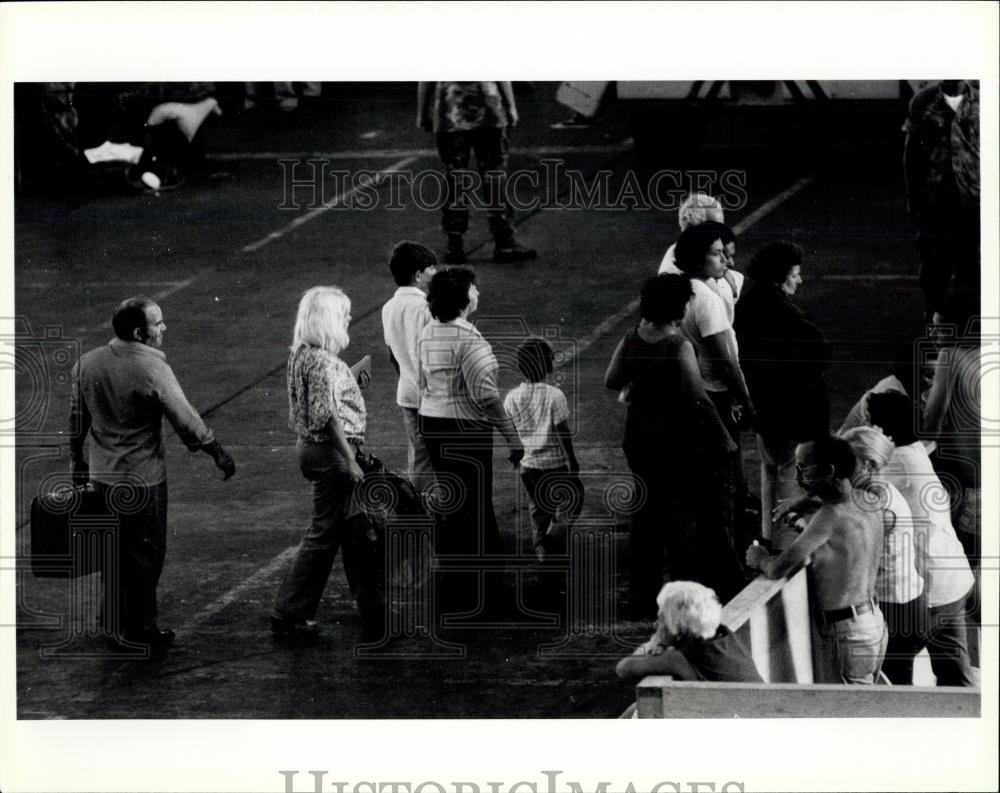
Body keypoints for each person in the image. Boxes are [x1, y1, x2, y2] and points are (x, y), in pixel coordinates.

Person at [69, 296, 236, 649]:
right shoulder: (152, 368)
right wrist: (216, 451)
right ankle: (142, 625)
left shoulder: (88, 363)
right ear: (138, 333)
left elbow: (76, 419)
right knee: (145, 553)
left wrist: (76, 461)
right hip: (142, 480)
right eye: (157, 323)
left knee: (112, 552)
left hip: (103, 477)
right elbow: (185, 418)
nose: (163, 328)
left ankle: (111, 618)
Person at [606, 274, 744, 616]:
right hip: (676, 442)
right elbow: (699, 398)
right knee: (682, 519)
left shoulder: (631, 338)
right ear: (677, 307)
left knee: (646, 518)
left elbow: (612, 379)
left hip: (639, 439)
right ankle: (682, 599)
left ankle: (642, 597)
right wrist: (724, 437)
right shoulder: (679, 345)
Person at [271, 286, 387, 643]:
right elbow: (326, 416)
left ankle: (372, 605)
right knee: (326, 533)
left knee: (346, 528)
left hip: (312, 449)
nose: (349, 319)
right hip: (333, 453)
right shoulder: (324, 361)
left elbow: (317, 400)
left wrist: (350, 381)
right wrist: (351, 460)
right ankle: (291, 610)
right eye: (344, 314)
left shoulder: (303, 355)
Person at [417, 267, 524, 617]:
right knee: (476, 502)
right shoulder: (470, 340)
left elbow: (422, 379)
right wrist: (513, 439)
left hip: (432, 422)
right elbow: (487, 397)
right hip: (464, 428)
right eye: (473, 289)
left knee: (454, 498)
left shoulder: (428, 331)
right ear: (464, 299)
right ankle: (483, 581)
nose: (477, 293)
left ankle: (456, 573)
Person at [746, 436, 887, 684]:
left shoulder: (830, 516)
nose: (799, 477)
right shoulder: (867, 500)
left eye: (804, 468)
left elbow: (778, 568)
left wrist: (759, 558)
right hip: (873, 622)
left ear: (828, 470)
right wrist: (806, 507)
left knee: (845, 716)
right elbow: (841, 547)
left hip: (846, 632)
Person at [867, 390, 977, 686]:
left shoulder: (892, 465)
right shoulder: (915, 450)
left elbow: (854, 496)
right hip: (954, 582)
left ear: (880, 430)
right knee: (957, 679)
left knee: (896, 680)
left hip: (927, 594)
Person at [734, 242, 832, 541]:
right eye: (795, 274)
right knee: (792, 471)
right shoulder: (783, 310)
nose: (799, 280)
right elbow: (820, 351)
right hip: (793, 407)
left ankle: (770, 534)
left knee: (770, 467)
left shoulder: (747, 300)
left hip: (765, 403)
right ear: (781, 275)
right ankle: (786, 541)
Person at [674, 223, 755, 554]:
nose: (727, 261)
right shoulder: (706, 299)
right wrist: (746, 401)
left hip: (691, 392)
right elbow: (725, 359)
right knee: (726, 482)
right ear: (698, 257)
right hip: (716, 393)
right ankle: (729, 555)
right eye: (718, 254)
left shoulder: (683, 291)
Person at [840, 427, 927, 685]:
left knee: (895, 692)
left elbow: (853, 553)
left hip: (898, 610)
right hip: (907, 603)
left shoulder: (880, 505)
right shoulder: (878, 493)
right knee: (894, 685)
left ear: (868, 463)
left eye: (847, 462)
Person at [417, 82, 536, 264]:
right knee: (494, 173)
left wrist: (423, 112)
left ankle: (454, 243)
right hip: (487, 105)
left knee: (455, 174)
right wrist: (511, 106)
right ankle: (504, 240)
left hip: (450, 108)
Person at [903, 80, 980, 318]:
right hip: (936, 203)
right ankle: (934, 330)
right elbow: (911, 155)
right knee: (935, 271)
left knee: (973, 270)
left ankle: (966, 334)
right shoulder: (923, 102)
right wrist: (914, 201)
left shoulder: (984, 101)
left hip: (975, 202)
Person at [503, 337, 583, 561]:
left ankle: (541, 550)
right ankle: (555, 534)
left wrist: (515, 458)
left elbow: (511, 433)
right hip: (555, 463)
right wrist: (572, 460)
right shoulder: (554, 395)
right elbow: (562, 431)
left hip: (528, 464)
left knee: (537, 506)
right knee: (573, 496)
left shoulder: (511, 398)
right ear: (548, 365)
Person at [615, 581, 762, 682]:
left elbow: (623, 669)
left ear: (676, 626)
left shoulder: (674, 658)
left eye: (661, 619)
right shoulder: (726, 636)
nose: (655, 625)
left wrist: (655, 641)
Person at [381, 241, 437, 494]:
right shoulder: (427, 308)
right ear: (418, 275)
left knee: (418, 456)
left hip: (407, 392)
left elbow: (392, 353)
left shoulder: (388, 308)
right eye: (431, 269)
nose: (434, 273)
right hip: (434, 395)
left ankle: (418, 512)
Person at [837, 343, 936, 455]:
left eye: (936, 375)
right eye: (929, 375)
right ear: (909, 373)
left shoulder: (918, 388)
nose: (934, 381)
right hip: (854, 452)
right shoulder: (886, 397)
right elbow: (887, 446)